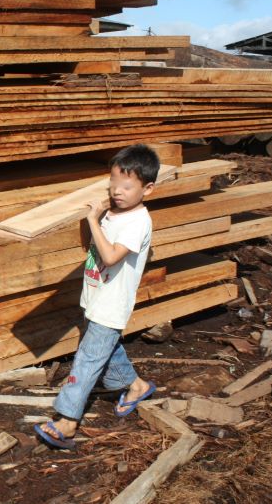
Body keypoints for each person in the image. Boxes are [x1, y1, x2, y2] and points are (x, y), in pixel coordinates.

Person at [34, 144, 160, 450]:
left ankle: (66, 422)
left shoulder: (137, 221)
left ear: (148, 189)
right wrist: (92, 216)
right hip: (96, 296)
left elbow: (111, 256)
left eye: (127, 187)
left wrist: (93, 220)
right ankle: (137, 386)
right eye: (113, 184)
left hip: (111, 304)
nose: (117, 191)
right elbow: (92, 246)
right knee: (108, 349)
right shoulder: (115, 213)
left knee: (88, 361)